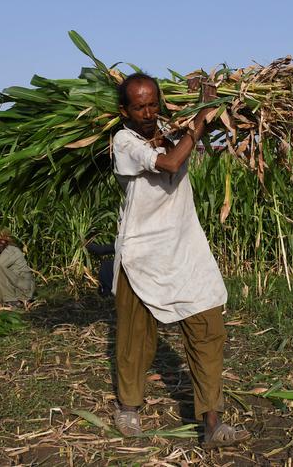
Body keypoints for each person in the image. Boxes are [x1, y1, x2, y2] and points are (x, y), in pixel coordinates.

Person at [110, 72, 250, 449]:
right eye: (138, 106)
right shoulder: (124, 142)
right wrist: (200, 122)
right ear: (124, 110)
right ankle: (128, 407)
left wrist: (207, 106)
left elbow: (199, 137)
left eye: (153, 103)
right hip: (141, 254)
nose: (147, 111)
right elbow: (171, 164)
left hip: (184, 248)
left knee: (208, 328)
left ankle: (212, 423)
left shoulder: (172, 131)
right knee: (135, 339)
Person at [0, 230, 35, 306]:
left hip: (24, 287)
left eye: (1, 241)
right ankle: (4, 300)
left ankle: (11, 301)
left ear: (8, 241)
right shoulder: (4, 252)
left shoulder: (10, 250)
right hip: (19, 285)